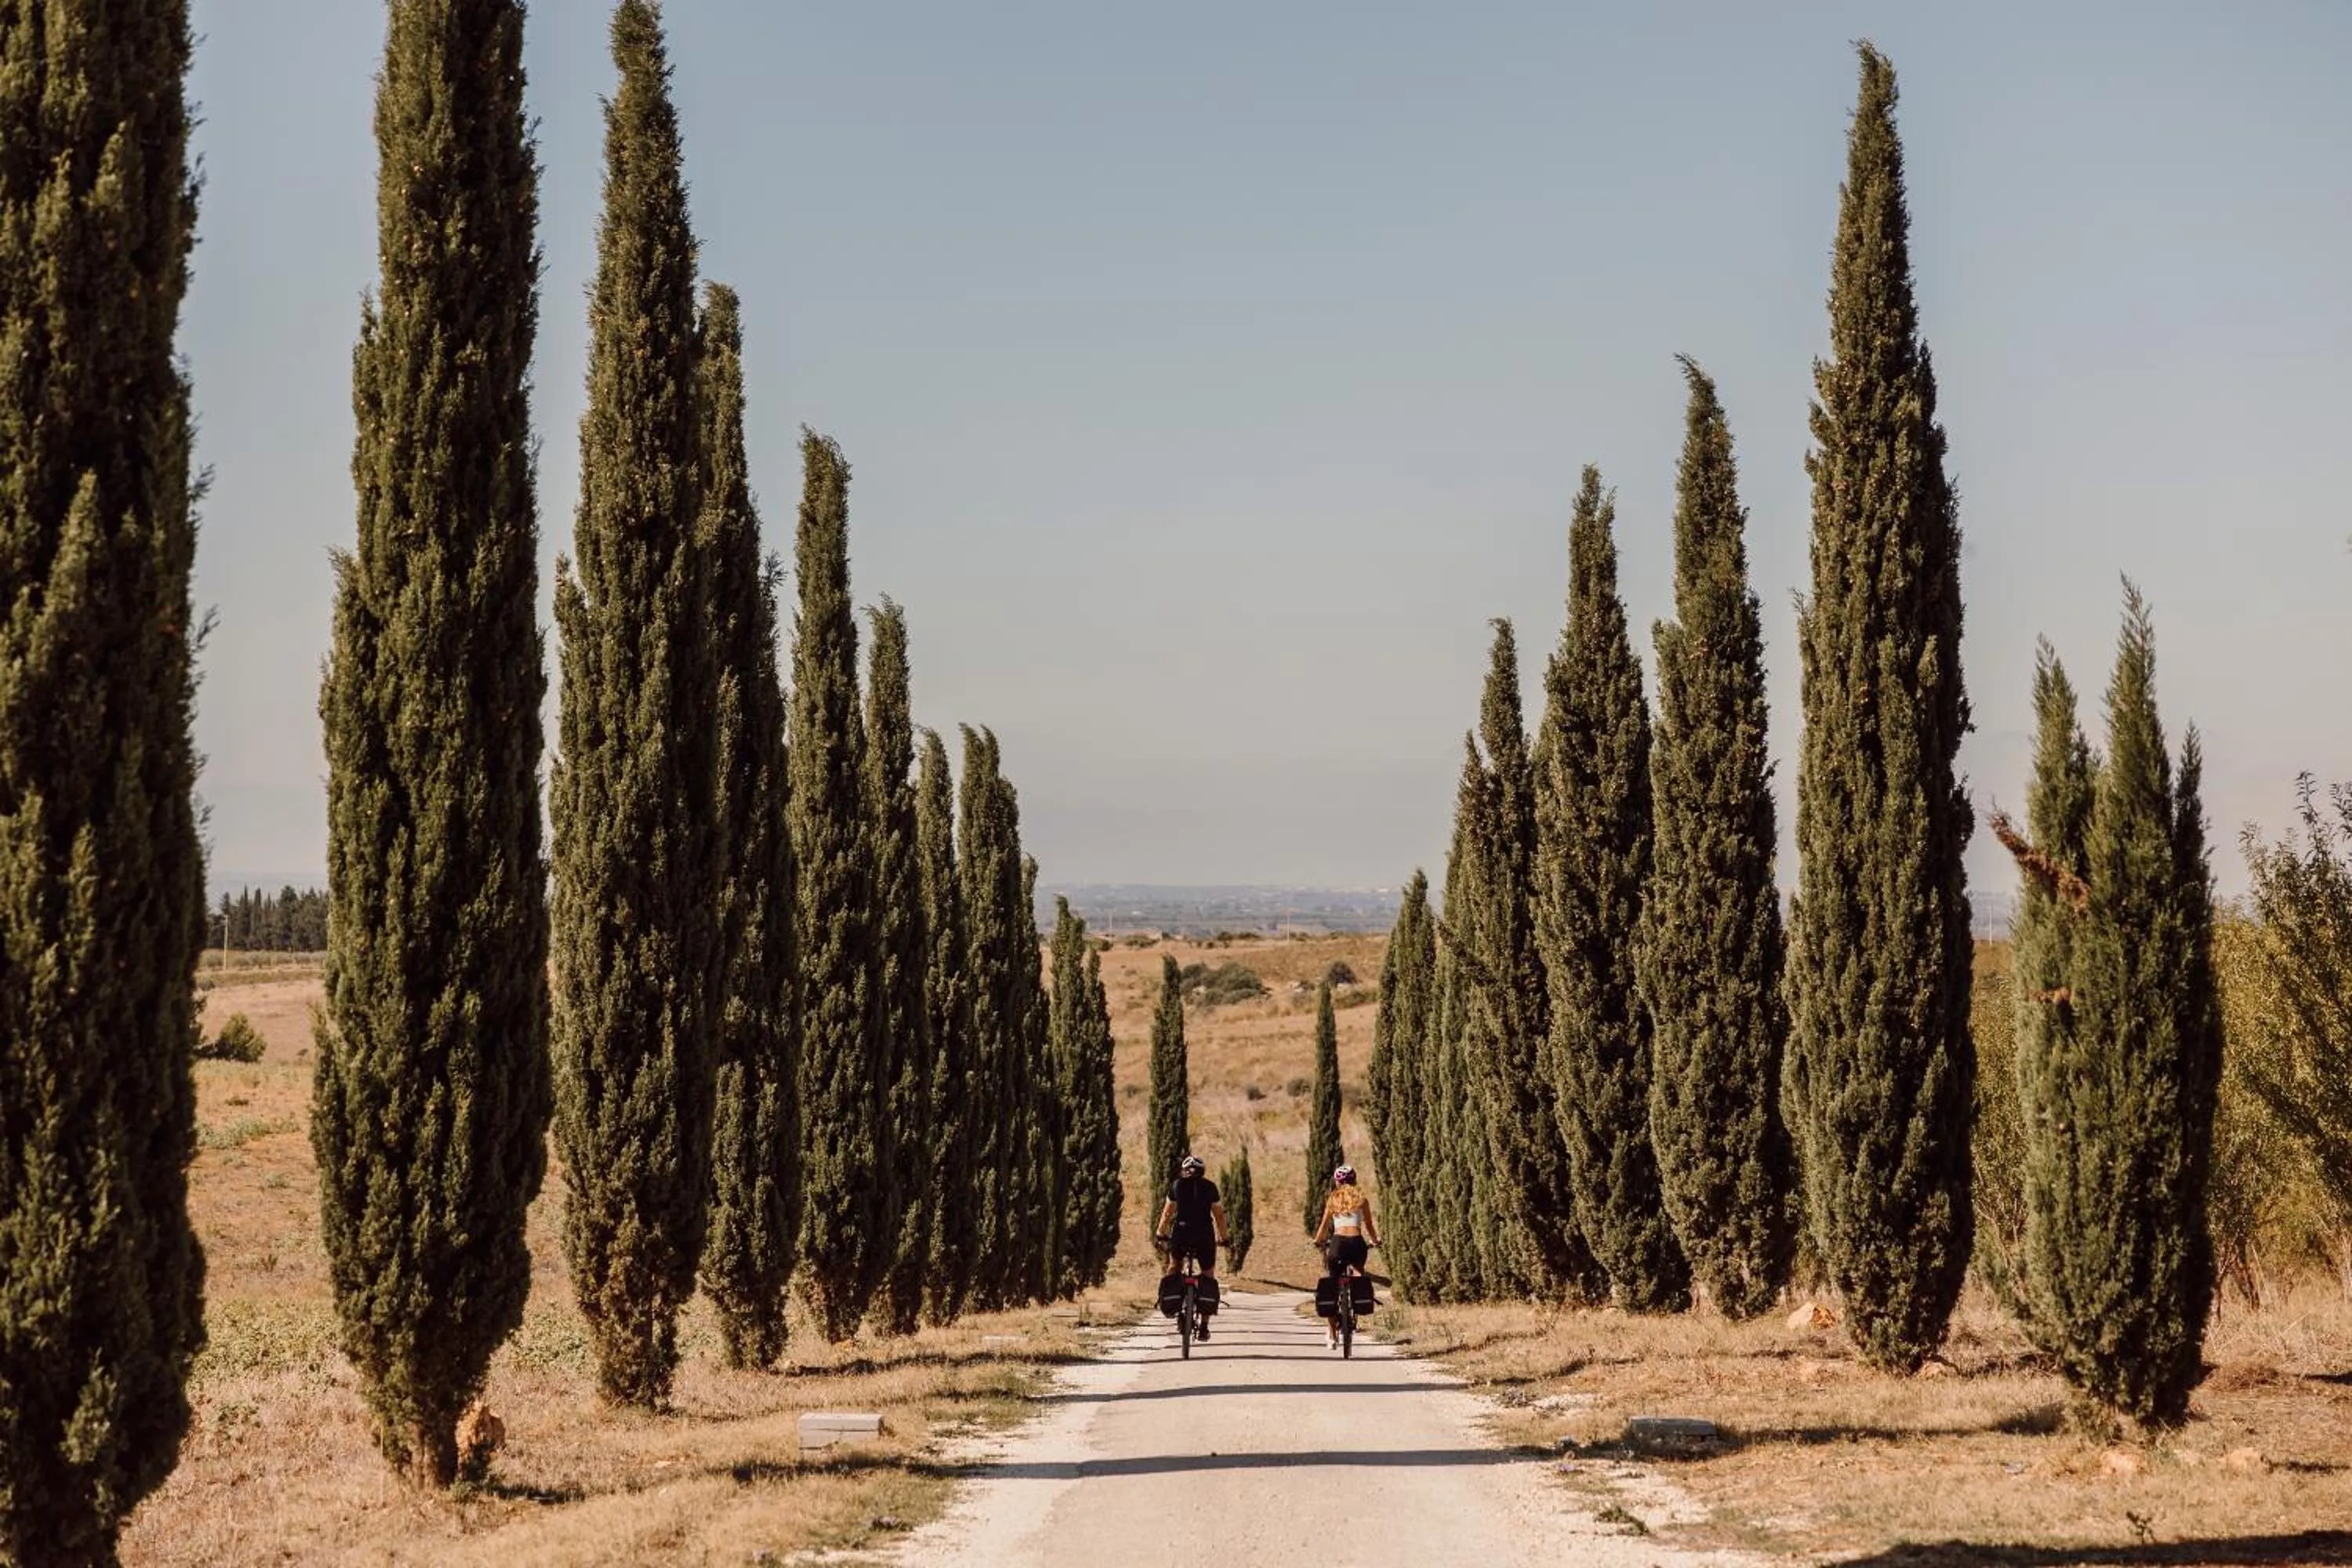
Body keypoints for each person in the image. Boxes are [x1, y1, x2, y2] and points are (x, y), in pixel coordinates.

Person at [1153, 1153, 1229, 1339]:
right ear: (1202, 1172)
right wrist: (1224, 1238)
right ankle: (1204, 1326)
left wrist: (1160, 1233)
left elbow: (1167, 1213)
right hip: (1204, 1235)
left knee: (1174, 1265)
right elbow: (1219, 1216)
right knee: (1207, 1274)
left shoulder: (1177, 1185)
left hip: (1182, 1233)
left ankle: (1172, 1303)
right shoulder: (1211, 1187)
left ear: (1184, 1171)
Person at [1310, 1164, 1380, 1350]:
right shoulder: (1362, 1199)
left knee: (1331, 1287)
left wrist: (1317, 1241)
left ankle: (1332, 1335)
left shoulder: (1333, 1199)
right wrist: (1375, 1240)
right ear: (1355, 1180)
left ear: (1337, 1181)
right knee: (1358, 1277)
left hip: (1338, 1244)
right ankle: (1355, 1311)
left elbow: (1324, 1226)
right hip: (1357, 1244)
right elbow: (1370, 1226)